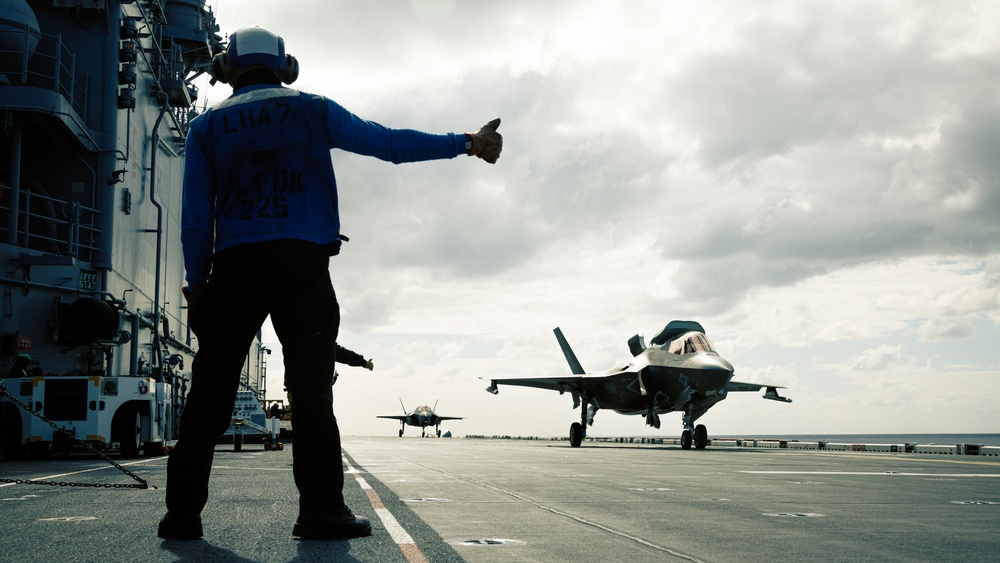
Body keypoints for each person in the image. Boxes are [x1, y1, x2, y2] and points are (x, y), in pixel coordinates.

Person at [158, 25, 502, 541]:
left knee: (209, 394)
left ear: (228, 69)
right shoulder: (313, 108)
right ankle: (320, 511)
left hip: (234, 268)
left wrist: (196, 284)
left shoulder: (208, 127)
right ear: (285, 66)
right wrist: (467, 143)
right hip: (302, 265)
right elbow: (388, 143)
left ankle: (181, 515)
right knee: (312, 392)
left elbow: (194, 218)